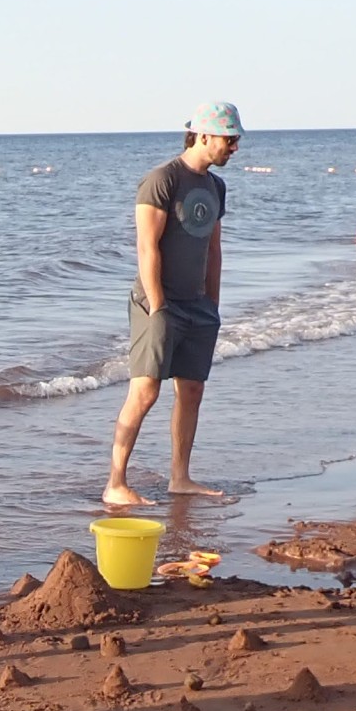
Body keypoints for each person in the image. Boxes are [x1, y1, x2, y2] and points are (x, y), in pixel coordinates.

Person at [102, 101, 241, 509]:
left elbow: (213, 249)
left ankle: (180, 478)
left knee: (192, 390)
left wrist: (212, 303)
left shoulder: (216, 187)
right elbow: (147, 247)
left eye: (235, 140)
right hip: (158, 303)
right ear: (203, 135)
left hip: (198, 306)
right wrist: (159, 305)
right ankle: (115, 482)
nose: (234, 147)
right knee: (145, 391)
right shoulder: (162, 179)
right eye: (229, 139)